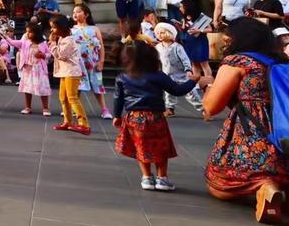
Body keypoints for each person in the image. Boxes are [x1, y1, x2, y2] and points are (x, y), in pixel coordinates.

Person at [203, 18, 289, 223]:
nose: (225, 44)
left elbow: (211, 108)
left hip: (251, 137)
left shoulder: (238, 61)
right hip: (284, 139)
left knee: (218, 182)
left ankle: (265, 188)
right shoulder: (281, 62)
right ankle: (278, 188)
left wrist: (208, 86)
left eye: (227, 40)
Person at [113, 41, 205, 192]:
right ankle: (162, 178)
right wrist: (192, 81)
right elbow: (177, 90)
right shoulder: (158, 76)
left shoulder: (123, 77)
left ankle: (146, 178)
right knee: (160, 148)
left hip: (134, 117)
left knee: (140, 147)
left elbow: (118, 98)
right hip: (155, 117)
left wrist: (117, 115)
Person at [49, 15, 90, 135]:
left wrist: (52, 43)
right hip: (64, 71)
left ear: (61, 28)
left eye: (54, 28)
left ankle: (84, 124)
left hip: (71, 72)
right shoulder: (62, 39)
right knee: (63, 97)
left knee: (72, 97)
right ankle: (67, 121)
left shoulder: (69, 40)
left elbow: (61, 55)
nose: (52, 30)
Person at [0, 24, 51, 116]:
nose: (27, 34)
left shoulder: (43, 44)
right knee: (27, 88)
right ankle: (28, 107)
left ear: (36, 33)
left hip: (39, 69)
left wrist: (43, 55)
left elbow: (49, 54)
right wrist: (4, 35)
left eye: (30, 32)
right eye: (27, 31)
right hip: (28, 68)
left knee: (43, 88)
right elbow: (12, 42)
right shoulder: (25, 42)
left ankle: (45, 108)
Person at [154, 22, 203, 117]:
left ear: (169, 33)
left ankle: (202, 108)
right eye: (158, 33)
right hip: (167, 75)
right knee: (169, 93)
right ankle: (170, 108)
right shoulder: (158, 47)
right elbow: (156, 59)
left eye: (162, 33)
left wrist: (188, 70)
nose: (159, 35)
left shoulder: (177, 47)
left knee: (191, 93)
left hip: (181, 75)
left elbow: (185, 60)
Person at [71, 4, 112, 119]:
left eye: (78, 11)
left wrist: (101, 61)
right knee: (77, 86)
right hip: (78, 63)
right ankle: (75, 108)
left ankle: (104, 109)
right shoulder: (71, 30)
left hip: (93, 62)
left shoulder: (94, 29)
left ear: (86, 14)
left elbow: (101, 46)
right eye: (74, 12)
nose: (75, 14)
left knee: (97, 85)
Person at [178, 0, 212, 79]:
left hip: (200, 41)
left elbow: (210, 29)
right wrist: (180, 26)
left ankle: (209, 81)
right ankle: (196, 82)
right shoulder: (184, 17)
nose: (180, 9)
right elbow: (185, 30)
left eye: (181, 7)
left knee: (204, 63)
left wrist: (199, 30)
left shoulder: (200, 16)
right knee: (194, 63)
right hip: (189, 41)